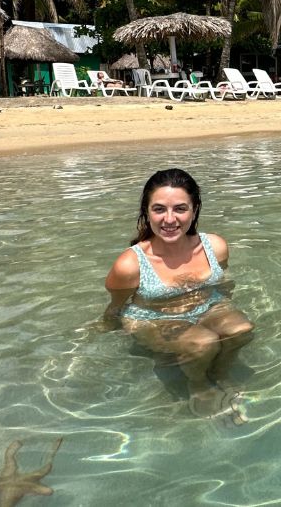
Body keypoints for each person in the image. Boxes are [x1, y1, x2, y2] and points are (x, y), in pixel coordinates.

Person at [103, 168, 253, 422]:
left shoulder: (215, 247)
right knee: (202, 342)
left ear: (195, 210)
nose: (169, 219)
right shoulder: (130, 264)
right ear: (146, 212)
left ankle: (219, 371)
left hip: (207, 304)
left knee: (241, 329)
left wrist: (223, 318)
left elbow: (223, 286)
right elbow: (117, 306)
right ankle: (198, 384)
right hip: (153, 316)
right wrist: (104, 328)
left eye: (180, 209)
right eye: (159, 209)